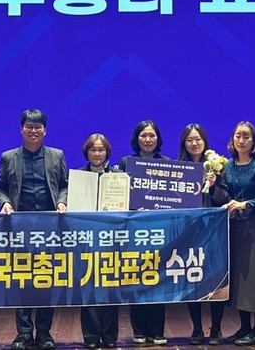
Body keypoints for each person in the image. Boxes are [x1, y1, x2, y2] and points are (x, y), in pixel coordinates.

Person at [0, 109, 68, 350]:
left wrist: (62, 201)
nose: (33, 130)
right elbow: (1, 188)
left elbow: (65, 185)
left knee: (47, 280)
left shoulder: (57, 155)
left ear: (45, 130)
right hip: (19, 228)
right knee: (22, 280)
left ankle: (44, 333)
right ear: (21, 129)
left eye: (38, 126)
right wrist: (5, 203)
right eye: (29, 126)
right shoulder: (9, 157)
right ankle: (24, 333)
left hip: (50, 228)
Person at [219, 121, 255, 346]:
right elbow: (224, 194)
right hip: (234, 228)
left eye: (246, 136)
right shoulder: (228, 165)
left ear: (254, 141)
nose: (241, 140)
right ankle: (244, 328)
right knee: (240, 279)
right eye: (237, 136)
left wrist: (245, 204)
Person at [118, 119, 169, 346]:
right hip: (134, 231)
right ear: (136, 139)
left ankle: (157, 331)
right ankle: (138, 330)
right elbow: (118, 196)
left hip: (159, 230)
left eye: (152, 135)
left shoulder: (168, 164)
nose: (148, 140)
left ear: (158, 139)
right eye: (143, 135)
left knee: (158, 279)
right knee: (136, 279)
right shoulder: (126, 163)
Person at [178, 124, 229, 346]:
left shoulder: (218, 166)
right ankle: (197, 328)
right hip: (190, 232)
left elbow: (225, 197)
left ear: (204, 141)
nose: (194, 143)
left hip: (214, 232)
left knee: (216, 280)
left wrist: (214, 185)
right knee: (193, 280)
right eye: (189, 140)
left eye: (197, 139)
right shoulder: (178, 168)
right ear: (184, 143)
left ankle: (216, 329)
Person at [78, 133, 119, 349]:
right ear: (87, 152)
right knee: (88, 287)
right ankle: (91, 336)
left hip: (112, 239)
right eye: (93, 149)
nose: (97, 153)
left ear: (107, 152)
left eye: (101, 149)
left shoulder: (118, 176)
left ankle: (110, 336)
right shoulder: (77, 177)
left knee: (110, 287)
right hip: (86, 240)